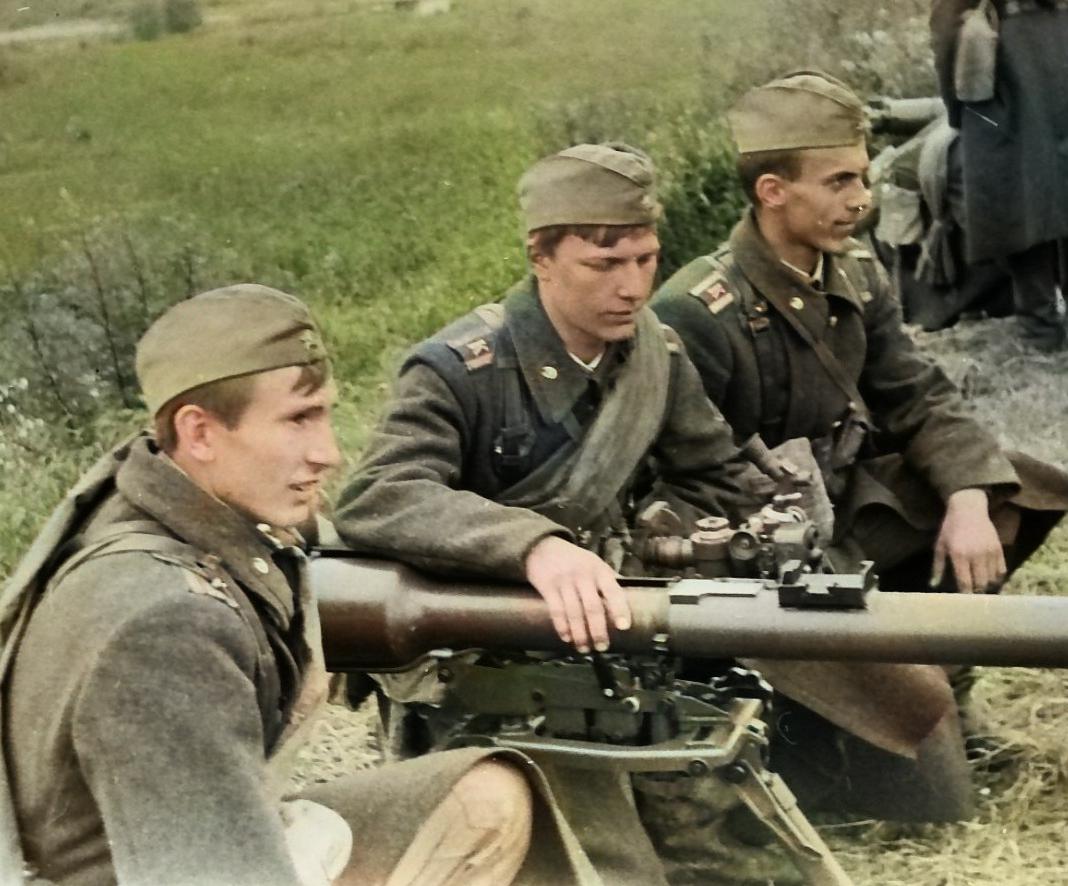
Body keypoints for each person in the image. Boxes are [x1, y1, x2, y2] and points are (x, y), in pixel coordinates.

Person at [0, 284, 593, 886]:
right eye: (298, 419)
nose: (328, 453)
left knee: (482, 802)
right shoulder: (168, 624)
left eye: (325, 414)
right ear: (198, 433)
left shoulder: (165, 499)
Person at [335, 145, 810, 885]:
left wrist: (728, 529)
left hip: (617, 639)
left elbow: (715, 475)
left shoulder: (653, 356)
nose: (633, 286)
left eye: (646, 260)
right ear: (541, 257)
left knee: (740, 855)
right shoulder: (461, 369)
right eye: (604, 264)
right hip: (495, 664)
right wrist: (535, 546)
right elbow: (378, 495)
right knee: (610, 865)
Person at [652, 70, 1068, 821]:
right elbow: (686, 473)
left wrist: (967, 497)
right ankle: (831, 727)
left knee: (1017, 486)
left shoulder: (855, 273)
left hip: (848, 505)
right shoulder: (698, 310)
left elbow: (916, 393)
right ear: (773, 191)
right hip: (767, 550)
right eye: (839, 181)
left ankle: (947, 687)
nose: (862, 199)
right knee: (939, 803)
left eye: (864, 177)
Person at [930, 0, 1068, 351]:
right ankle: (1041, 328)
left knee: (1018, 201)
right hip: (1053, 50)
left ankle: (1040, 329)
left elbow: (947, 30)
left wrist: (956, 107)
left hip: (1005, 69)